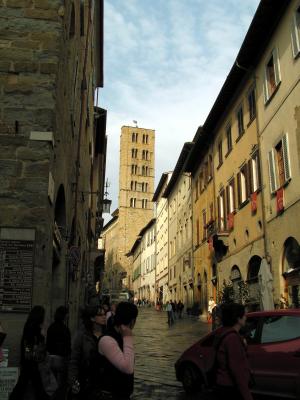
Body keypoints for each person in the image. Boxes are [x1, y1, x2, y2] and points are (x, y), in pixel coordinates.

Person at [98, 301, 138, 400]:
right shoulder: (107, 339)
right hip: (109, 395)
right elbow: (128, 368)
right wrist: (128, 337)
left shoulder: (121, 336)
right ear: (132, 321)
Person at [214, 303, 253, 400]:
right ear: (238, 319)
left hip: (223, 386)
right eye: (244, 315)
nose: (246, 317)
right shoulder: (232, 339)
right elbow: (237, 371)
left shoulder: (224, 333)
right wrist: (247, 396)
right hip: (230, 388)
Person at [9, 305, 49, 400]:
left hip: (28, 361)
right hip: (30, 361)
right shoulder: (32, 328)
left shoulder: (29, 326)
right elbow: (28, 345)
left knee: (25, 384)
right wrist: (42, 336)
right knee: (33, 385)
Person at [68, 304, 107, 399]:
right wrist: (73, 382)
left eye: (104, 314)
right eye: (100, 315)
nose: (104, 317)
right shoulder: (81, 336)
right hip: (86, 381)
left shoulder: (107, 335)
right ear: (92, 318)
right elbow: (74, 360)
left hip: (103, 383)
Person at [46, 306, 71, 399]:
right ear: (64, 315)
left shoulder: (51, 327)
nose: (68, 316)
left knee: (52, 384)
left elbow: (48, 343)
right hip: (61, 359)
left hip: (50, 358)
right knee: (61, 385)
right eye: (67, 314)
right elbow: (68, 345)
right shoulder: (65, 329)